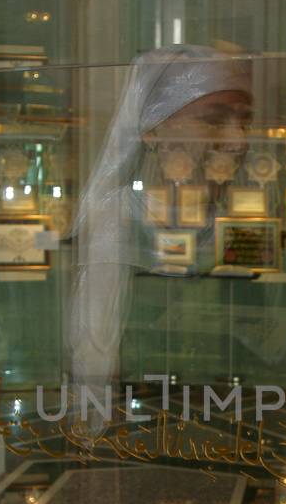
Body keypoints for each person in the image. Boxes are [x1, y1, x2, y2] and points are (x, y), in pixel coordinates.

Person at [68, 45, 252, 393]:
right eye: (213, 120)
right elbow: (96, 351)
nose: (237, 140)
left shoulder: (232, 217)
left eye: (244, 121)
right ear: (153, 129)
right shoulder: (118, 217)